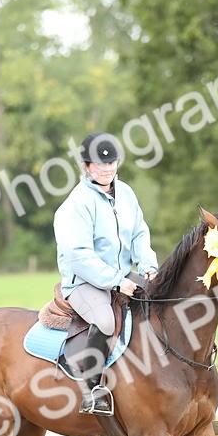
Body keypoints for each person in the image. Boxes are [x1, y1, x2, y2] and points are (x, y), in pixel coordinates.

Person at [53, 132, 158, 414]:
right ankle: (91, 390)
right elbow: (79, 257)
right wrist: (115, 282)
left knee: (159, 304)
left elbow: (139, 232)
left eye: (111, 165)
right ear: (87, 166)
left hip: (123, 276)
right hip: (85, 283)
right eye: (101, 165)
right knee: (106, 321)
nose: (107, 170)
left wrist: (147, 264)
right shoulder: (76, 204)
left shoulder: (126, 193)